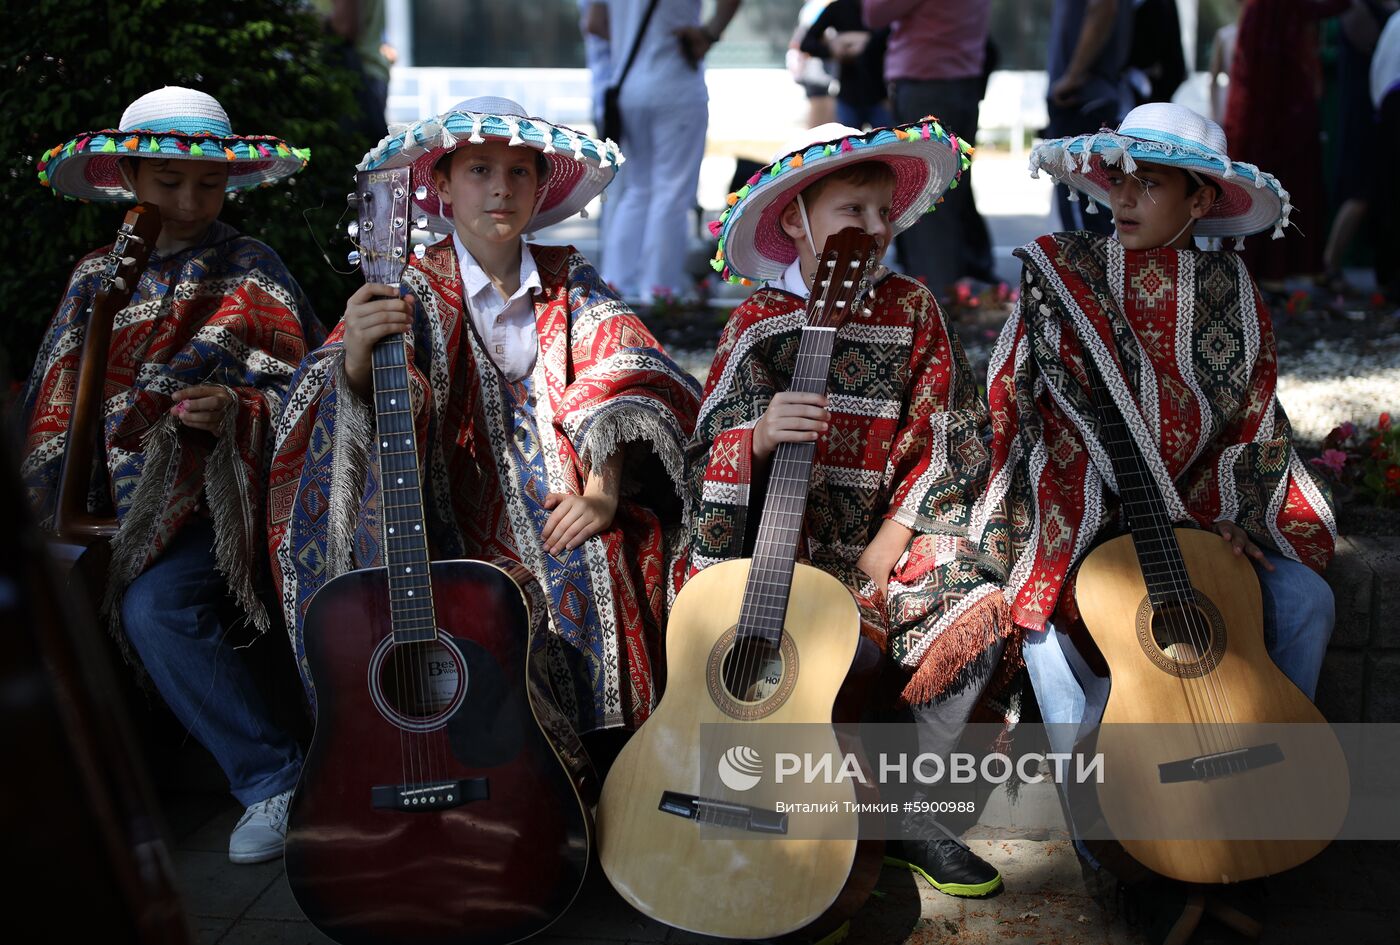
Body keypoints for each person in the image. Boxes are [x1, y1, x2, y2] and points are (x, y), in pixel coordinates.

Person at [979, 101, 1337, 943]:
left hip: (1204, 522)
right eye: (1117, 178)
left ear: (1202, 201)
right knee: (1042, 636)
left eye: (1151, 182)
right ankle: (1114, 852)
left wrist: (1240, 516)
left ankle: (1263, 808)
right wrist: (1072, 500)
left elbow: (1253, 423)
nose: (1125, 195)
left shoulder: (1233, 291)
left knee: (1307, 603)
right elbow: (1015, 398)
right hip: (1078, 511)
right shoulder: (1061, 270)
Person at [269, 96, 701, 744]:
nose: (501, 188)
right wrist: (357, 359)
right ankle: (500, 770)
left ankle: (621, 769)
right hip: (446, 513)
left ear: (540, 185)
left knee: (607, 555)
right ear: (440, 185)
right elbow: (329, 400)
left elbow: (630, 368)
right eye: (478, 170)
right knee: (468, 596)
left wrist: (603, 492)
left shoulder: (570, 277)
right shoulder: (406, 285)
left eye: (519, 171)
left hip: (565, 502)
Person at [689, 120, 1018, 898]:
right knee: (744, 632)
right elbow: (704, 458)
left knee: (977, 603)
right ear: (798, 221)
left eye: (882, 213)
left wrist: (895, 536)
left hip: (886, 541)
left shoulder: (911, 307)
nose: (873, 229)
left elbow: (954, 432)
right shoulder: (758, 323)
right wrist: (758, 436)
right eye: (851, 212)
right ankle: (769, 799)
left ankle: (907, 814)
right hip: (775, 557)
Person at [24, 86, 325, 864]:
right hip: (103, 514)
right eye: (168, 182)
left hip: (223, 515)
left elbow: (309, 388)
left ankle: (273, 778)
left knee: (155, 606)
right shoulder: (96, 277)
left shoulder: (254, 266)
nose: (191, 199)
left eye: (208, 183)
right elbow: (53, 407)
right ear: (126, 179)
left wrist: (232, 406)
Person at [595, 0, 741, 302]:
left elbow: (594, 22)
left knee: (637, 188)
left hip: (628, 85)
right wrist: (709, 33)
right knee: (672, 191)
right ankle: (660, 288)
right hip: (675, 83)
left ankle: (617, 282)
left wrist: (630, 39)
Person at [863, 0, 996, 292]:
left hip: (926, 84)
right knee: (948, 196)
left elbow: (875, 12)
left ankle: (931, 306)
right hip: (963, 81)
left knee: (925, 200)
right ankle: (946, 296)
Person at [1224, 0, 1351, 283]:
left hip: (1283, 115)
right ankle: (1263, 272)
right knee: (1266, 182)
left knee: (1283, 184)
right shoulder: (1265, 13)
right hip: (1270, 117)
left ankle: (1273, 271)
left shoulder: (1272, 14)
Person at [1044, 0, 1135, 234]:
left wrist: (1074, 75)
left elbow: (1104, 7)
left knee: (1086, 219)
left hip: (1084, 99)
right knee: (1088, 213)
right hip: (1085, 97)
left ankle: (1097, 270)